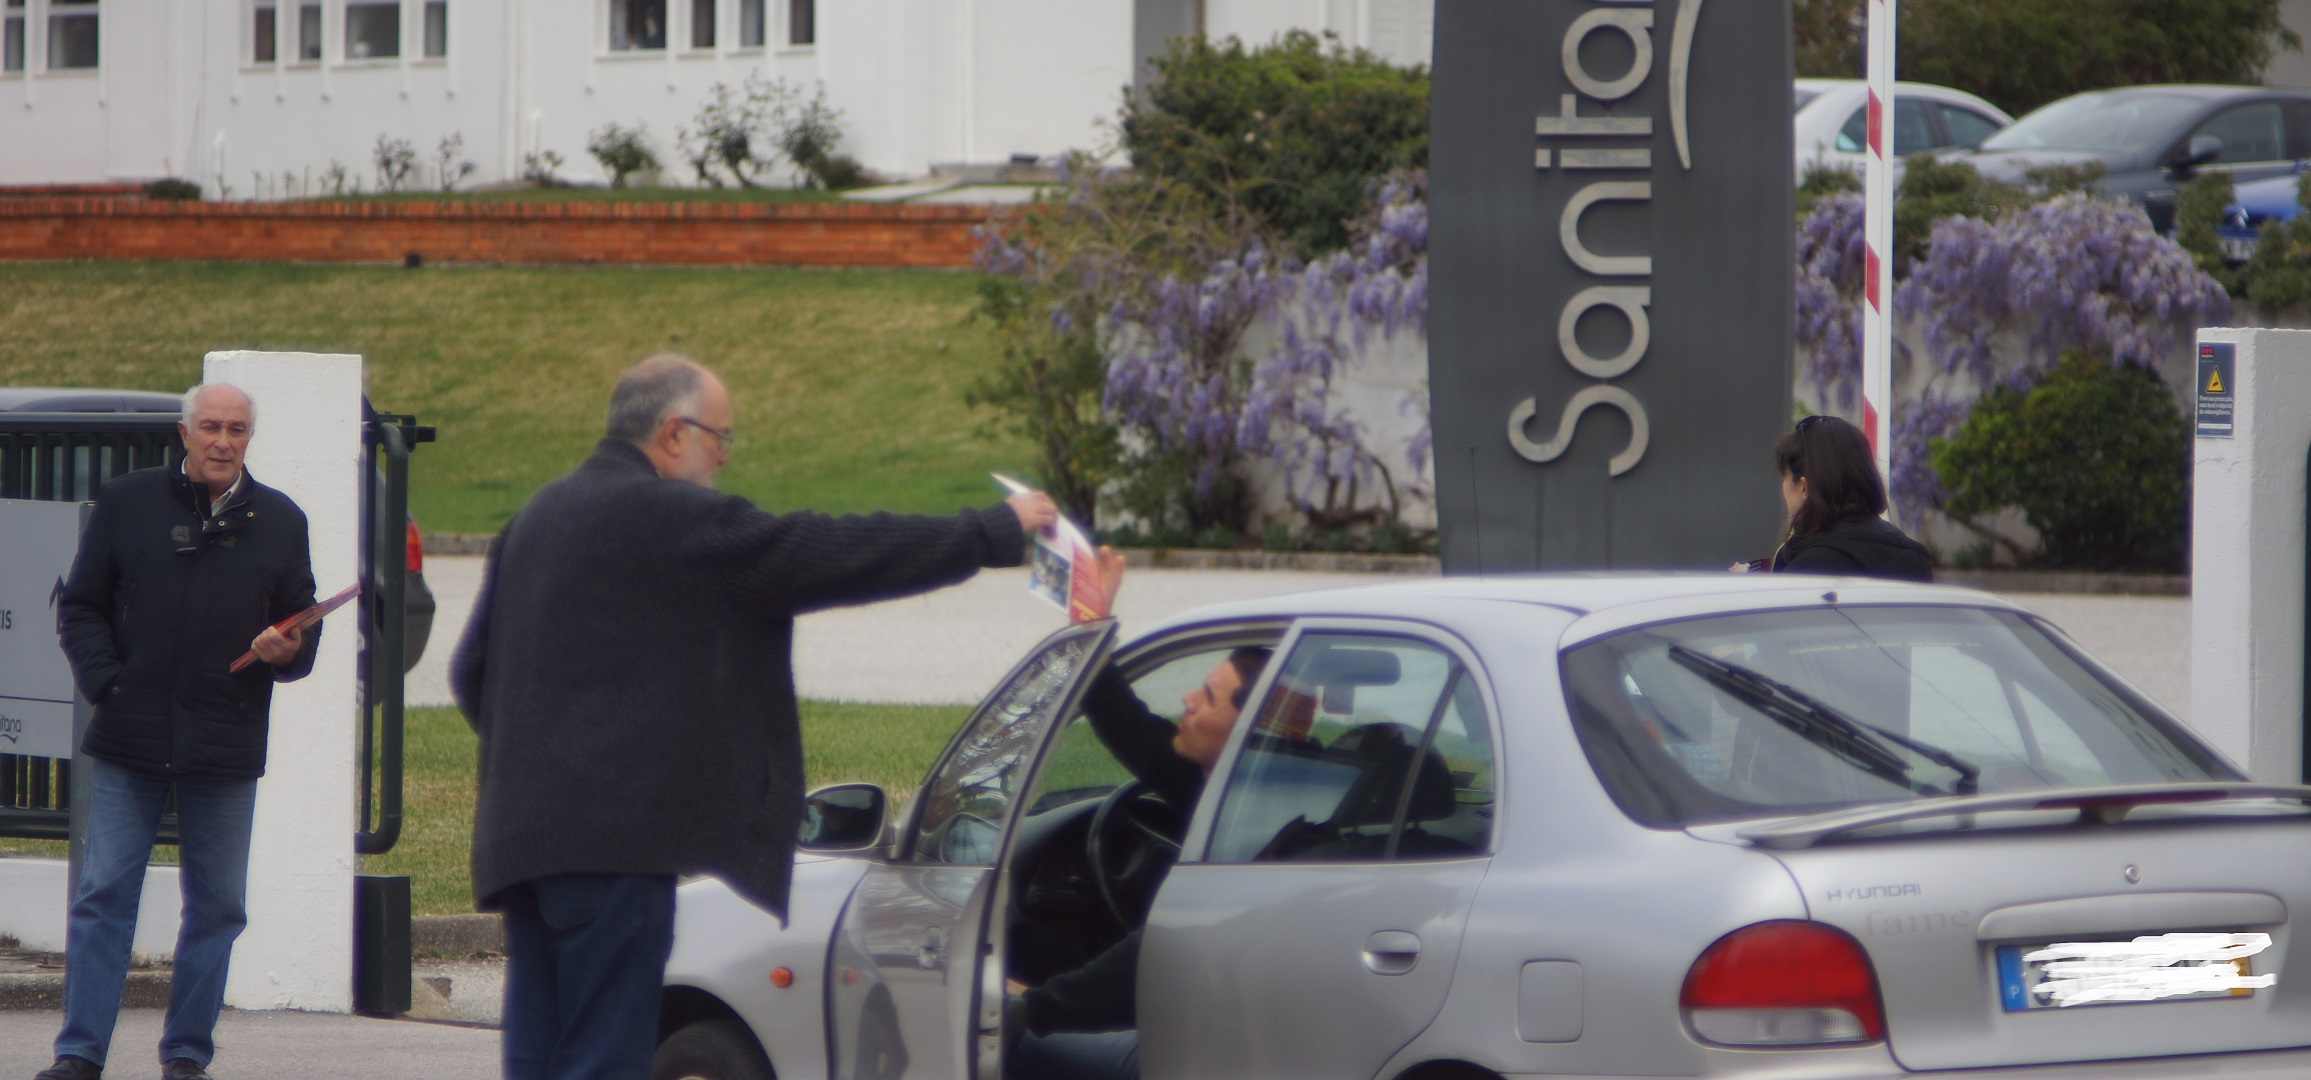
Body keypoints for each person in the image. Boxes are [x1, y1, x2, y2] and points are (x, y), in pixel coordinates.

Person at [449, 353, 1059, 1080]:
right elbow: (832, 551)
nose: (723, 458)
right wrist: (990, 530)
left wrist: (549, 757)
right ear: (674, 433)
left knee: (539, 1063)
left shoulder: (534, 518)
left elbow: (471, 673)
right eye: (720, 438)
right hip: (614, 857)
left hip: (522, 848)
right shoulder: (680, 519)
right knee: (604, 1062)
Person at [40, 383, 320, 1080]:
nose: (223, 441)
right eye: (211, 427)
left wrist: (288, 650)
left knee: (218, 907)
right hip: (129, 737)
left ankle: (187, 1056)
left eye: (237, 429)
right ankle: (79, 1054)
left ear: (249, 437)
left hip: (225, 742)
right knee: (103, 896)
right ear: (184, 432)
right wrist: (109, 684)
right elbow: (80, 607)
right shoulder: (128, 502)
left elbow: (300, 627)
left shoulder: (282, 520)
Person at [1004, 551, 1271, 1080]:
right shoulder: (1236, 789)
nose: (1187, 699)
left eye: (1209, 697)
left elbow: (1155, 951)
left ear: (1247, 730)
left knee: (1010, 1045)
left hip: (1214, 1049)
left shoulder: (1252, 832)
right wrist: (1091, 621)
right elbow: (1124, 721)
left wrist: (1030, 1008)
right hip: (1241, 1034)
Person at [1735, 414, 1932, 582]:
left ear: (1803, 487)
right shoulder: (1914, 560)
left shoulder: (1806, 569)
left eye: (1785, 477)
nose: (1783, 488)